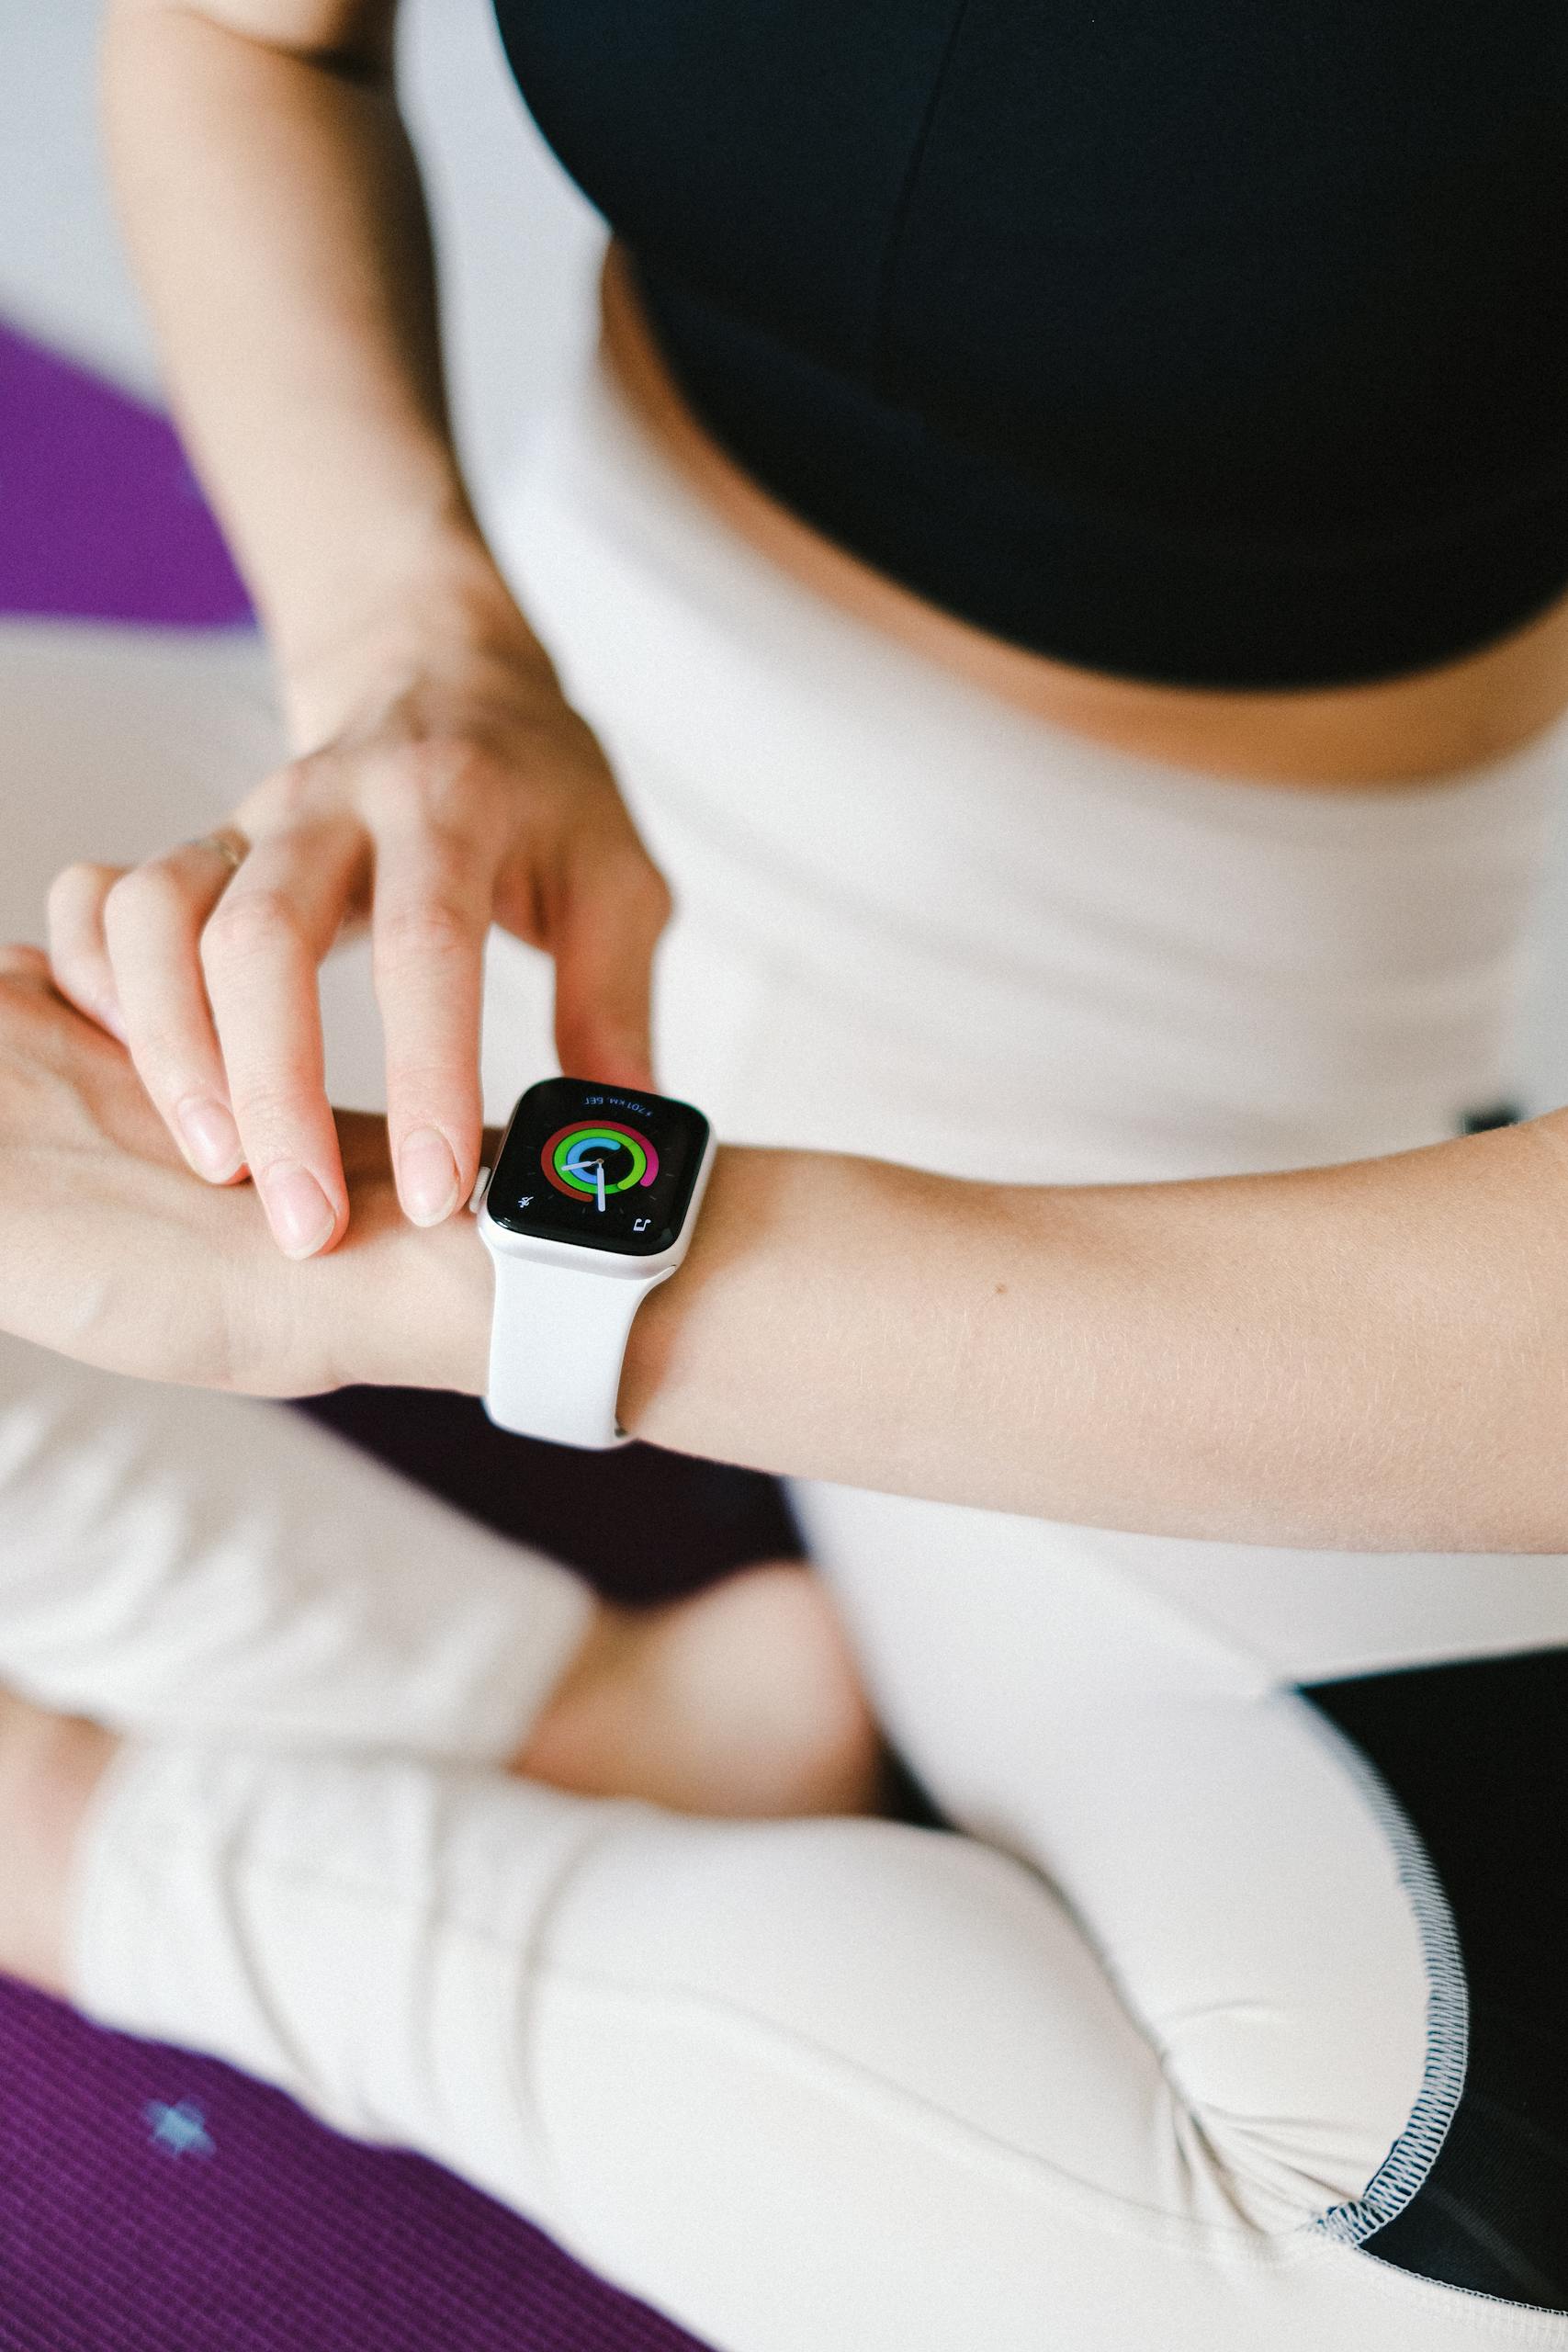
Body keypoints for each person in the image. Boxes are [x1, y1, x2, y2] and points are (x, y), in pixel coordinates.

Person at [14, 0, 1568, 2342]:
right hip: (482, 807)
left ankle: (88, 1836)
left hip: (1179, 1107)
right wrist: (412, 653)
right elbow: (248, 41)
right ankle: (579, 1706)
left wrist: (487, 1270)